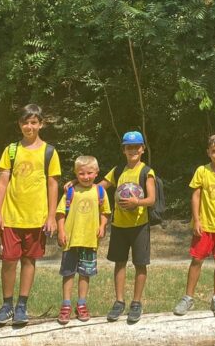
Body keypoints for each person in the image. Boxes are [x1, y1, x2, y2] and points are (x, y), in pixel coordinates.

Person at [0, 104, 60, 327]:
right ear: (19, 124)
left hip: (36, 217)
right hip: (11, 216)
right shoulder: (11, 150)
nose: (29, 126)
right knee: (9, 260)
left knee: (29, 260)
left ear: (41, 124)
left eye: (33, 122)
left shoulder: (49, 152)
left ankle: (22, 305)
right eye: (25, 122)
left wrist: (51, 216)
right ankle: (6, 305)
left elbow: (52, 184)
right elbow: (2, 182)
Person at [174, 135, 215, 317]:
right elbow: (195, 196)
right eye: (214, 151)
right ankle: (188, 298)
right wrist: (196, 220)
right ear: (208, 152)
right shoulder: (202, 171)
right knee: (196, 260)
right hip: (204, 226)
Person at [101, 131, 157, 324]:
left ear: (142, 149)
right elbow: (99, 187)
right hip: (119, 225)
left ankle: (136, 303)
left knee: (140, 264)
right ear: (123, 150)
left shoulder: (146, 171)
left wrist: (136, 202)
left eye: (136, 147)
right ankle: (119, 302)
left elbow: (151, 199)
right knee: (119, 263)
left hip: (139, 226)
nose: (132, 150)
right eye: (128, 147)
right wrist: (77, 182)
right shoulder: (118, 171)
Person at [56, 155, 110, 324]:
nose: (86, 177)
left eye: (89, 173)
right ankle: (66, 305)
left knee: (85, 274)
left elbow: (105, 211)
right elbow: (60, 213)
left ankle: (81, 304)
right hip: (70, 240)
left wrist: (102, 226)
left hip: (89, 241)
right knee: (68, 273)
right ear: (76, 174)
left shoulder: (100, 191)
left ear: (96, 172)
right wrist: (61, 231)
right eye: (81, 173)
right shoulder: (70, 191)